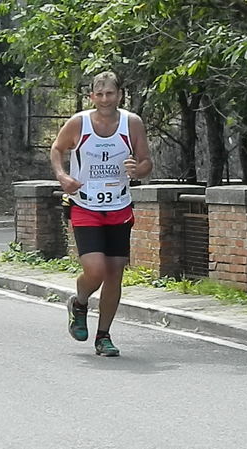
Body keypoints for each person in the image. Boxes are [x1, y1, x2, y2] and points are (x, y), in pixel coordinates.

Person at [50, 71, 152, 357]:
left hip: (119, 206)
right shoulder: (79, 123)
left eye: (111, 93)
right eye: (100, 93)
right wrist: (62, 176)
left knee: (114, 274)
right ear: (91, 97)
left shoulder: (132, 123)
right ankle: (80, 301)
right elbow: (57, 149)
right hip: (84, 204)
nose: (105, 99)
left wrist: (138, 170)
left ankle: (103, 336)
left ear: (120, 95)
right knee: (95, 270)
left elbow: (146, 163)